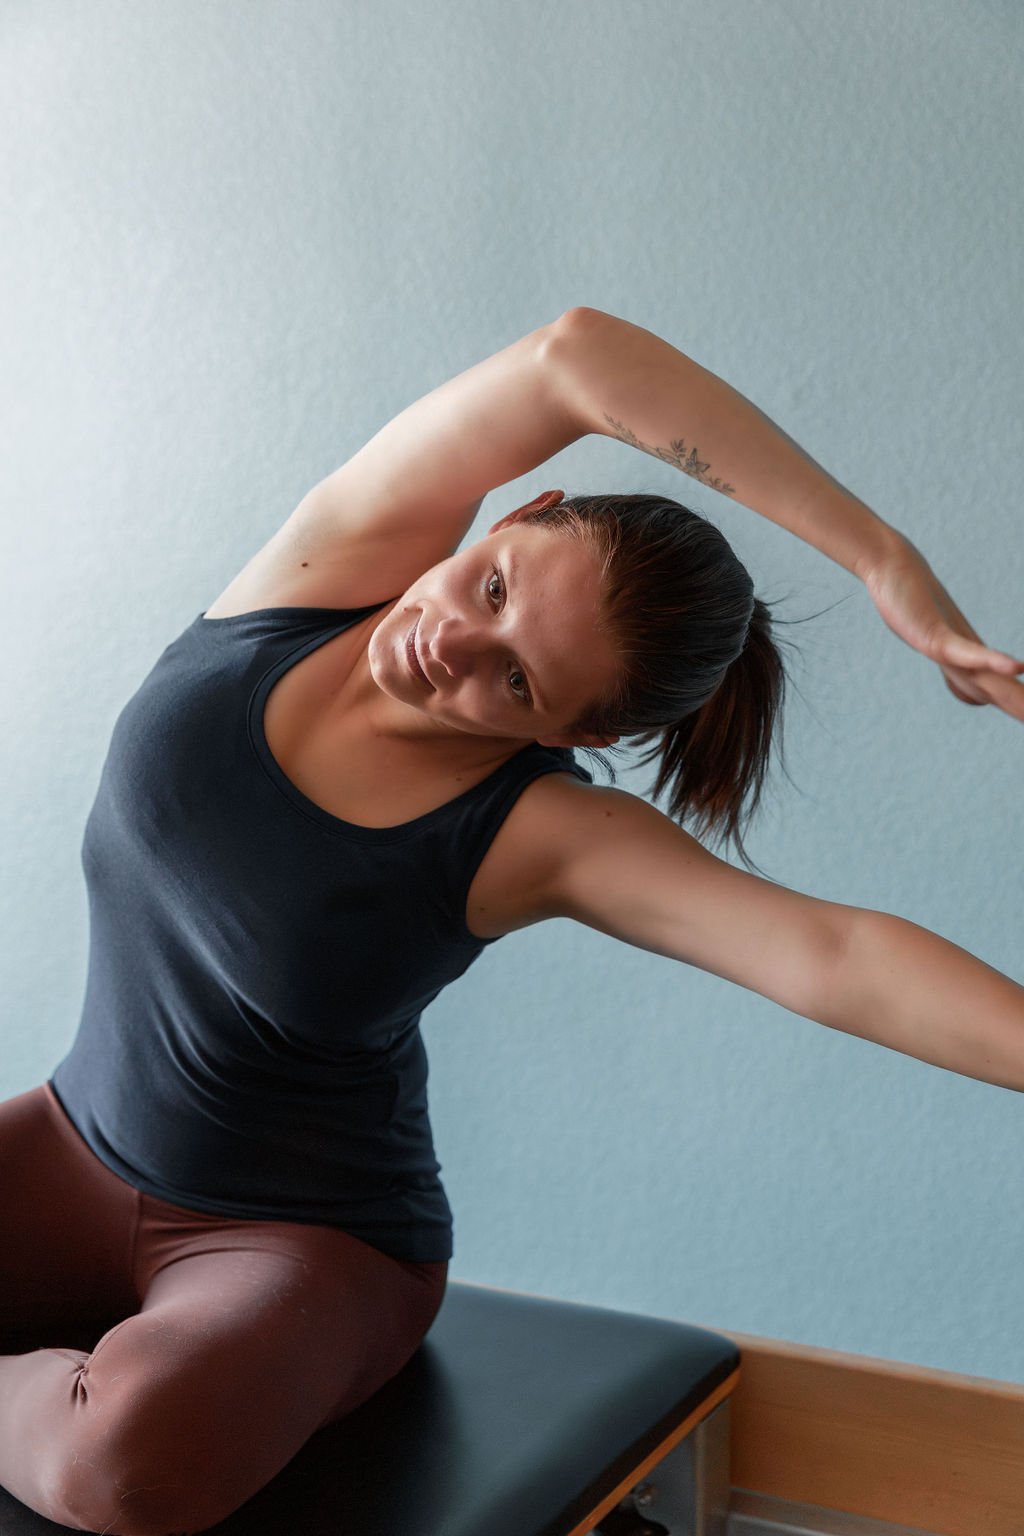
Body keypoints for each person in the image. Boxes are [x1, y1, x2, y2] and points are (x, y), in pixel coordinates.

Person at [1, 306, 1021, 1536]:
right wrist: (882, 560)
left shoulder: (537, 834)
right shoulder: (329, 568)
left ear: (569, 735)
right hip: (69, 1144)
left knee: (124, 1466)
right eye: (492, 588)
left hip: (304, 1244)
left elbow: (834, 955)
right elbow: (575, 356)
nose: (450, 646)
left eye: (518, 680)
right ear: (517, 515)